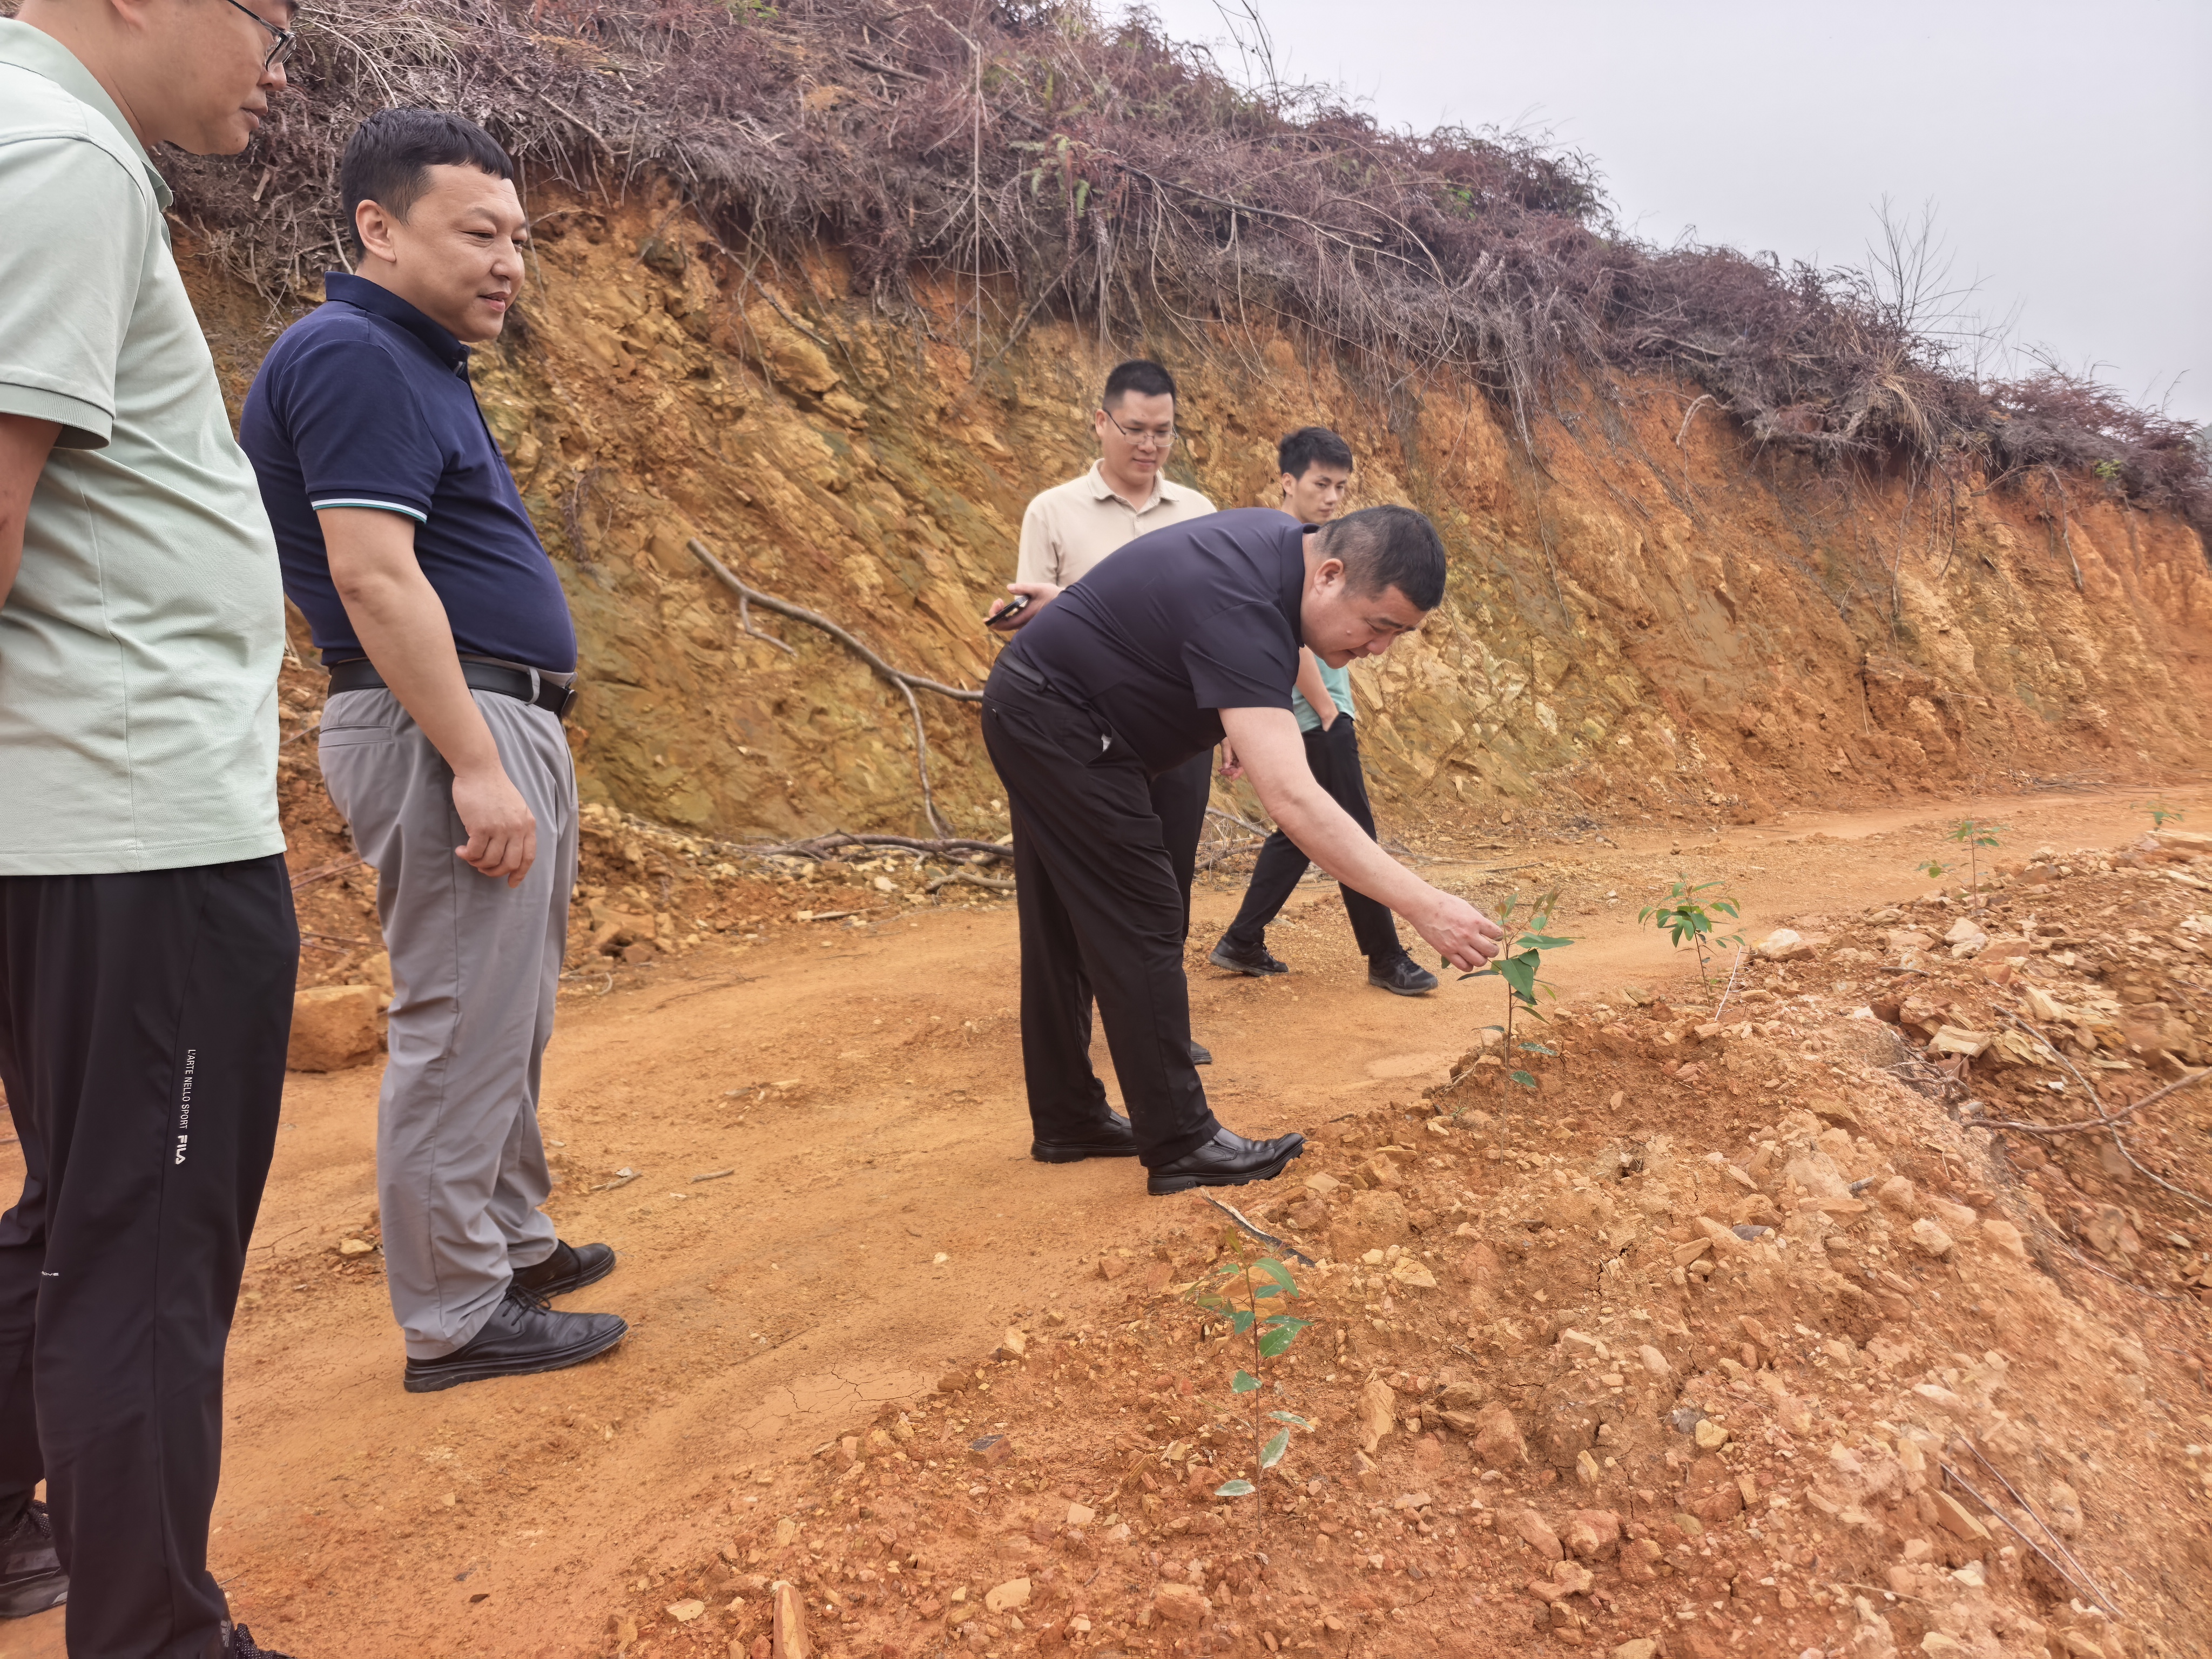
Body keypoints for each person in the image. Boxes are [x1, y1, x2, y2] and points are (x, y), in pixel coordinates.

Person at [0, 0, 305, 1651]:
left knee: (83, 1207)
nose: (280, 46)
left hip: (71, 811)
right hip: (133, 825)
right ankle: (154, 1634)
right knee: (146, 1249)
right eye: (262, 6)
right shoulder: (53, 159)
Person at [240, 110, 626, 1395]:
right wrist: (471, 757)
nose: (510, 259)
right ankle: (457, 1310)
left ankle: (507, 1238)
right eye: (478, 233)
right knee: (459, 1013)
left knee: (504, 1006)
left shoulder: (414, 360)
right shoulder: (353, 354)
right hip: (440, 717)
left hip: (482, 710)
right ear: (377, 228)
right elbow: (372, 573)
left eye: (519, 236)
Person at [982, 505, 1503, 1192]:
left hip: (1047, 705)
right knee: (1141, 915)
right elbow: (1293, 799)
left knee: (1061, 923)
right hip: (1065, 724)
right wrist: (1423, 904)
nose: (1380, 651)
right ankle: (1181, 1142)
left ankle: (1068, 1116)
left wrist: (1079, 607)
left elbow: (1159, 587)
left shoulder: (1278, 550)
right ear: (1331, 574)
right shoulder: (1247, 604)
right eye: (1379, 627)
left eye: (1398, 635)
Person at [1014, 360, 1220, 1065]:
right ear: (1101, 422)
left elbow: (1215, 629)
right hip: (1088, 741)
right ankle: (1078, 1033)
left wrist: (1232, 723)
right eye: (1135, 428)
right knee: (1079, 890)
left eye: (1163, 431)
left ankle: (1162, 1022)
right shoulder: (1052, 510)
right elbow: (1033, 630)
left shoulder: (1198, 513)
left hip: (1183, 730)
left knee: (1171, 880)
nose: (1149, 444)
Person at [1209, 429, 1439, 996]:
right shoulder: (1287, 552)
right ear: (1288, 481)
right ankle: (1385, 957)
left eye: (1341, 486)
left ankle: (1242, 939)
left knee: (1305, 831)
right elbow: (1291, 647)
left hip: (1314, 711)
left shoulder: (1321, 546)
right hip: (1310, 714)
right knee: (1350, 828)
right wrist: (1326, 711)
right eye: (1321, 483)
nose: (1333, 496)